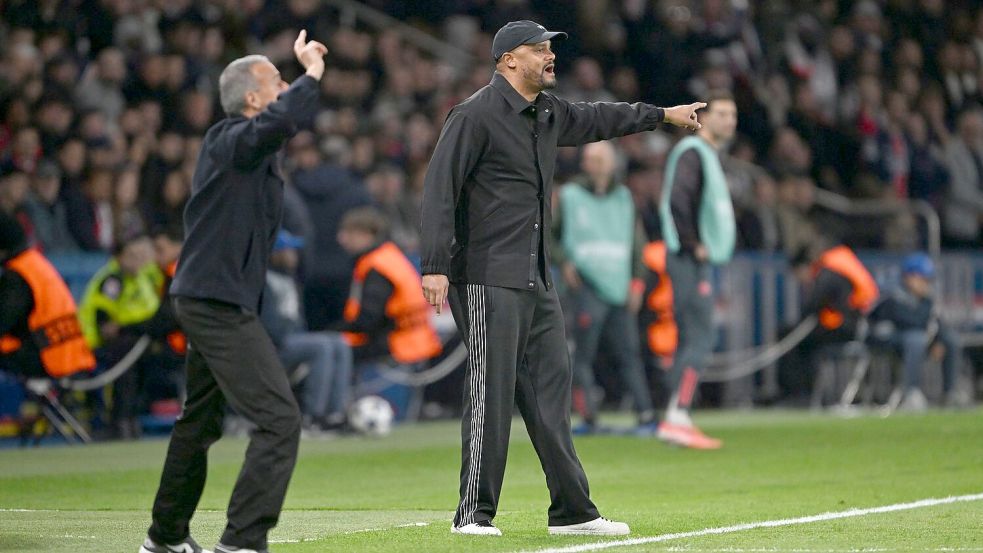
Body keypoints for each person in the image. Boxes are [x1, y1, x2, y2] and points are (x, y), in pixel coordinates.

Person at [420, 19, 705, 537]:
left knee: (552, 395)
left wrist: (662, 115)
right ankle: (472, 514)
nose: (550, 56)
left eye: (551, 48)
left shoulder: (549, 112)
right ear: (508, 60)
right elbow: (440, 189)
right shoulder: (473, 116)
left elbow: (601, 119)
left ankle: (573, 512)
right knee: (492, 393)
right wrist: (435, 265)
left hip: (536, 278)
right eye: (538, 49)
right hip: (486, 277)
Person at [140, 31, 327, 553]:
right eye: (276, 82)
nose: (285, 85)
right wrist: (312, 76)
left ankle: (164, 538)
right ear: (251, 99)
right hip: (215, 303)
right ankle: (241, 543)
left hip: (215, 297)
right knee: (279, 419)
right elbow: (282, 121)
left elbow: (278, 126)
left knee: (198, 422)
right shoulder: (230, 139)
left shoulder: (246, 148)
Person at [551, 140, 657, 434]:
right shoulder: (570, 195)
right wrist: (564, 262)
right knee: (581, 355)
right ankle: (588, 418)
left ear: (612, 163)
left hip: (620, 287)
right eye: (589, 159)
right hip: (586, 285)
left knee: (630, 353)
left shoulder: (624, 198)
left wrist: (637, 282)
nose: (593, 164)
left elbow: (638, 245)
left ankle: (646, 414)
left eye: (599, 159)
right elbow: (548, 235)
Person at [657, 90, 738, 450]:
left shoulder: (707, 155)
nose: (729, 120)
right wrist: (693, 244)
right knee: (699, 336)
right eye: (721, 113)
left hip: (696, 260)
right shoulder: (693, 152)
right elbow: (679, 199)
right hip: (690, 259)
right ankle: (677, 414)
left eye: (733, 114)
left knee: (694, 336)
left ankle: (677, 416)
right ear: (704, 117)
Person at [260, 229, 353, 433]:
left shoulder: (290, 279)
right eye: (288, 251)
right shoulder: (262, 280)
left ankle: (334, 414)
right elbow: (268, 324)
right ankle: (313, 416)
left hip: (293, 339)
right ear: (275, 253)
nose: (294, 255)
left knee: (339, 342)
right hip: (273, 346)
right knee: (322, 346)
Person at [78, 233, 163, 439]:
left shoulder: (144, 277)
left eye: (140, 256)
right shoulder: (112, 281)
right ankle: (120, 420)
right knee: (127, 353)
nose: (137, 261)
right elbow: (105, 326)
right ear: (119, 258)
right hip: (96, 345)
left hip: (137, 340)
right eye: (131, 256)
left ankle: (133, 415)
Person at [338, 207, 442, 366]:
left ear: (368, 235)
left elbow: (369, 318)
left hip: (395, 346)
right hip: (417, 341)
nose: (341, 238)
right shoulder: (390, 256)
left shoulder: (376, 267)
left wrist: (336, 330)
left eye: (350, 233)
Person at [0, 211, 95, 380]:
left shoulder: (17, 276)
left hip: (45, 358)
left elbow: (4, 318)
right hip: (68, 351)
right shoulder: (36, 263)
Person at [784, 243, 880, 402]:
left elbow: (813, 305)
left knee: (795, 341)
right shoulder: (837, 267)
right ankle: (808, 394)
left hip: (844, 327)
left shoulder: (827, 273)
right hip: (855, 325)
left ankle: (800, 394)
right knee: (800, 340)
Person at [868, 253, 963, 410]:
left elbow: (936, 323)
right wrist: (930, 335)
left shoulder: (926, 300)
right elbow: (908, 322)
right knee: (916, 338)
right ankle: (912, 393)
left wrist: (938, 340)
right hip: (887, 340)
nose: (926, 284)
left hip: (913, 342)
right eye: (922, 279)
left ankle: (949, 393)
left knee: (950, 339)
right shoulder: (893, 296)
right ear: (909, 277)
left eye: (927, 280)